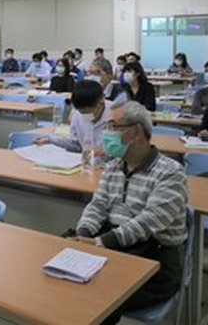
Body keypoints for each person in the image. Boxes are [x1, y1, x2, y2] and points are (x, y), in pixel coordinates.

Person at [72, 101, 187, 325]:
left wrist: (98, 243)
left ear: (135, 131)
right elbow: (98, 205)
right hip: (113, 245)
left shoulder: (171, 173)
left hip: (154, 258)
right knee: (64, 274)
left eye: (112, 126)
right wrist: (84, 235)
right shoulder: (114, 166)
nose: (106, 133)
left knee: (95, 295)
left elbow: (147, 223)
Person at [34, 80, 112, 154]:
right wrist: (50, 140)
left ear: (101, 100)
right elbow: (76, 145)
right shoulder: (77, 115)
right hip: (87, 160)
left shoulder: (115, 114)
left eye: (90, 111)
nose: (87, 116)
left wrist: (105, 151)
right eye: (82, 112)